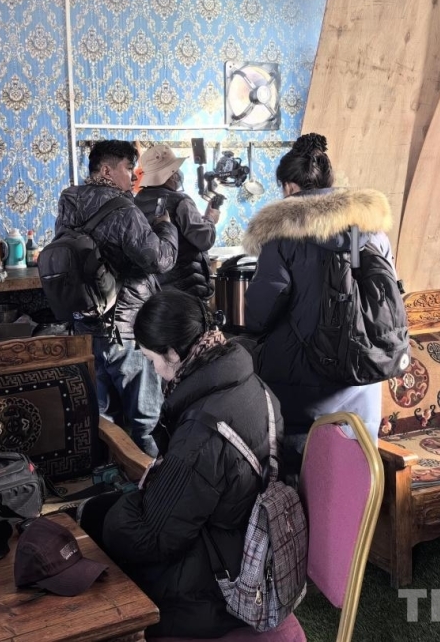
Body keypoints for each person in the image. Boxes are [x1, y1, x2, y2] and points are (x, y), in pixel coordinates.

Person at [99, 290, 283, 638]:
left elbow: (150, 539)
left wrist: (133, 499)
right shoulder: (250, 382)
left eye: (151, 359)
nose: (154, 371)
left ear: (173, 353)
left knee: (103, 527)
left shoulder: (203, 431)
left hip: (225, 587)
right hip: (250, 542)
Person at [242, 132, 394, 476]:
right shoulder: (372, 230)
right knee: (355, 477)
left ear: (289, 188)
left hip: (304, 383)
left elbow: (261, 312)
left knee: (306, 480)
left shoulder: (283, 236)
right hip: (363, 378)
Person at [55, 140, 178, 457]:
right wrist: (165, 229)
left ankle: (107, 478)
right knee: (146, 422)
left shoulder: (69, 203)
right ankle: (152, 480)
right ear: (107, 171)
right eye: (127, 167)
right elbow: (160, 260)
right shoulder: (124, 209)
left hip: (84, 331)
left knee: (101, 422)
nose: (133, 175)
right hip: (125, 330)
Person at [135, 144, 220, 299]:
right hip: (186, 290)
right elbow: (204, 240)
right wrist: (210, 219)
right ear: (172, 175)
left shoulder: (137, 201)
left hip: (151, 292)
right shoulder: (181, 201)